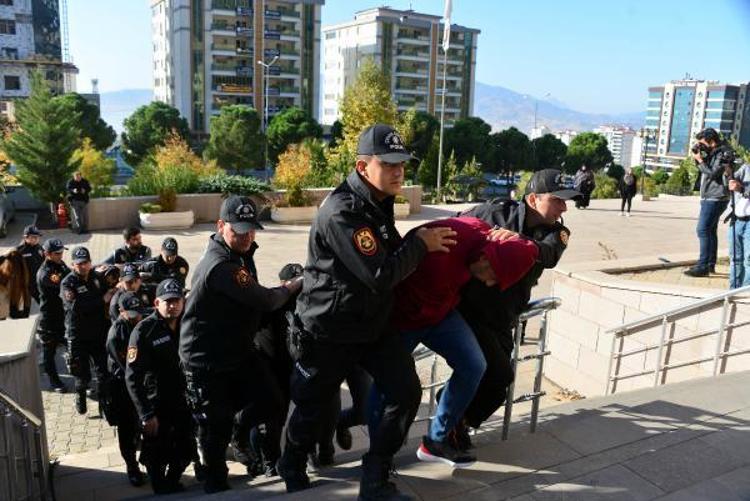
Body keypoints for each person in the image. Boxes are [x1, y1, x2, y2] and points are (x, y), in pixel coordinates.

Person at [277, 124, 456, 500]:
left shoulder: (378, 201)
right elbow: (380, 273)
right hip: (330, 329)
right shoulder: (342, 211)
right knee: (313, 406)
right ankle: (291, 462)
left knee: (405, 392)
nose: (398, 171)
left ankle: (375, 475)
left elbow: (390, 253)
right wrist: (420, 244)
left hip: (372, 324)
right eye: (388, 164)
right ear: (362, 167)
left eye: (401, 164)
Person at [371, 217, 538, 468]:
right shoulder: (443, 246)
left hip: (440, 314)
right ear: (487, 258)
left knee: (474, 365)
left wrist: (521, 239)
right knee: (389, 385)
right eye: (493, 275)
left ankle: (437, 440)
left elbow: (534, 249)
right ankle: (377, 458)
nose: (489, 283)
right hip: (402, 320)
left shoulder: (487, 238)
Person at [180, 195, 301, 493]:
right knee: (215, 428)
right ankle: (216, 482)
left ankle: (239, 427)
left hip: (238, 349)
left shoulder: (239, 253)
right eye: (239, 230)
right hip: (207, 360)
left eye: (251, 230)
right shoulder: (221, 265)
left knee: (272, 401)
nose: (247, 236)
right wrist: (292, 286)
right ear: (221, 226)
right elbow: (266, 299)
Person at [456, 169, 577, 447]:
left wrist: (519, 242)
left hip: (503, 318)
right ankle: (451, 426)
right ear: (533, 199)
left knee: (498, 384)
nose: (564, 207)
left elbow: (548, 254)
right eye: (557, 200)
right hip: (468, 311)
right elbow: (457, 225)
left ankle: (457, 420)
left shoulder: (558, 233)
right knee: (493, 372)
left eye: (565, 201)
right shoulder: (494, 212)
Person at [126, 279, 196, 494]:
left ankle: (174, 480)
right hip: (156, 404)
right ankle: (159, 485)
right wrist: (146, 414)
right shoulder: (144, 330)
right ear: (157, 303)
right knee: (156, 451)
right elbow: (132, 377)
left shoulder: (188, 323)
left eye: (177, 300)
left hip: (183, 399)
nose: (173, 305)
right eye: (168, 301)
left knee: (186, 447)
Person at [60, 246, 111, 415]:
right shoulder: (68, 283)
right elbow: (76, 307)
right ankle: (80, 396)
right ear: (73, 265)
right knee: (82, 376)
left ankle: (104, 406)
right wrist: (101, 300)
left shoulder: (96, 277)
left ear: (90, 262)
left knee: (103, 373)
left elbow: (108, 290)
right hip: (78, 335)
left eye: (85, 263)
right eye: (79, 264)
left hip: (98, 333)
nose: (83, 266)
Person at [104, 291, 147, 487]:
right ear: (121, 312)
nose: (137, 317)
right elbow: (128, 366)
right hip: (122, 385)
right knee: (127, 427)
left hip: (142, 381)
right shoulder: (116, 335)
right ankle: (132, 466)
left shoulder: (141, 323)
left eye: (138, 313)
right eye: (132, 314)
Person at [684, 128, 733, 277]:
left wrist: (700, 160)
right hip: (712, 196)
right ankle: (709, 264)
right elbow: (707, 170)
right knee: (710, 231)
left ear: (711, 140)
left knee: (703, 230)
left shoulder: (724, 153)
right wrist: (699, 157)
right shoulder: (715, 152)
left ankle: (703, 266)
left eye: (702, 143)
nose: (701, 145)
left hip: (715, 197)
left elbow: (713, 173)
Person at [36, 239, 71, 392]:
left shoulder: (60, 264)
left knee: (71, 345)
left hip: (62, 316)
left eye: (62, 252)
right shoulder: (45, 273)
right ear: (47, 254)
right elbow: (65, 284)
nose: (61, 255)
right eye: (57, 253)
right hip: (49, 319)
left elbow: (70, 274)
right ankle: (54, 381)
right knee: (49, 352)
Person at [727, 162, 750, 288]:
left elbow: (741, 189)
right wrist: (727, 172)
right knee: (735, 259)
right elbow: (728, 182)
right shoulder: (746, 168)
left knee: (749, 260)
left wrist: (741, 189)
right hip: (737, 220)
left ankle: (745, 293)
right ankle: (733, 290)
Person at [16, 225, 44, 317]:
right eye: (33, 237)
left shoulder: (39, 248)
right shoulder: (19, 251)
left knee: (45, 304)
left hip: (37, 283)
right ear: (25, 237)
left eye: (37, 237)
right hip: (25, 284)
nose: (36, 239)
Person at [0, 250, 30, 320]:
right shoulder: (23, 274)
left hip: (4, 310)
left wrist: (3, 257)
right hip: (13, 308)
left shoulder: (3, 274)